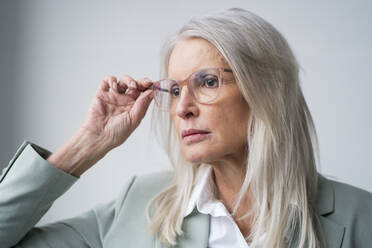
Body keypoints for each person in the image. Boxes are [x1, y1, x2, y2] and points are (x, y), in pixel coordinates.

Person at [0, 7, 371, 248]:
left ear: (267, 91)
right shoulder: (140, 203)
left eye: (207, 82)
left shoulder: (359, 218)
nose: (182, 107)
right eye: (175, 89)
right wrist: (85, 146)